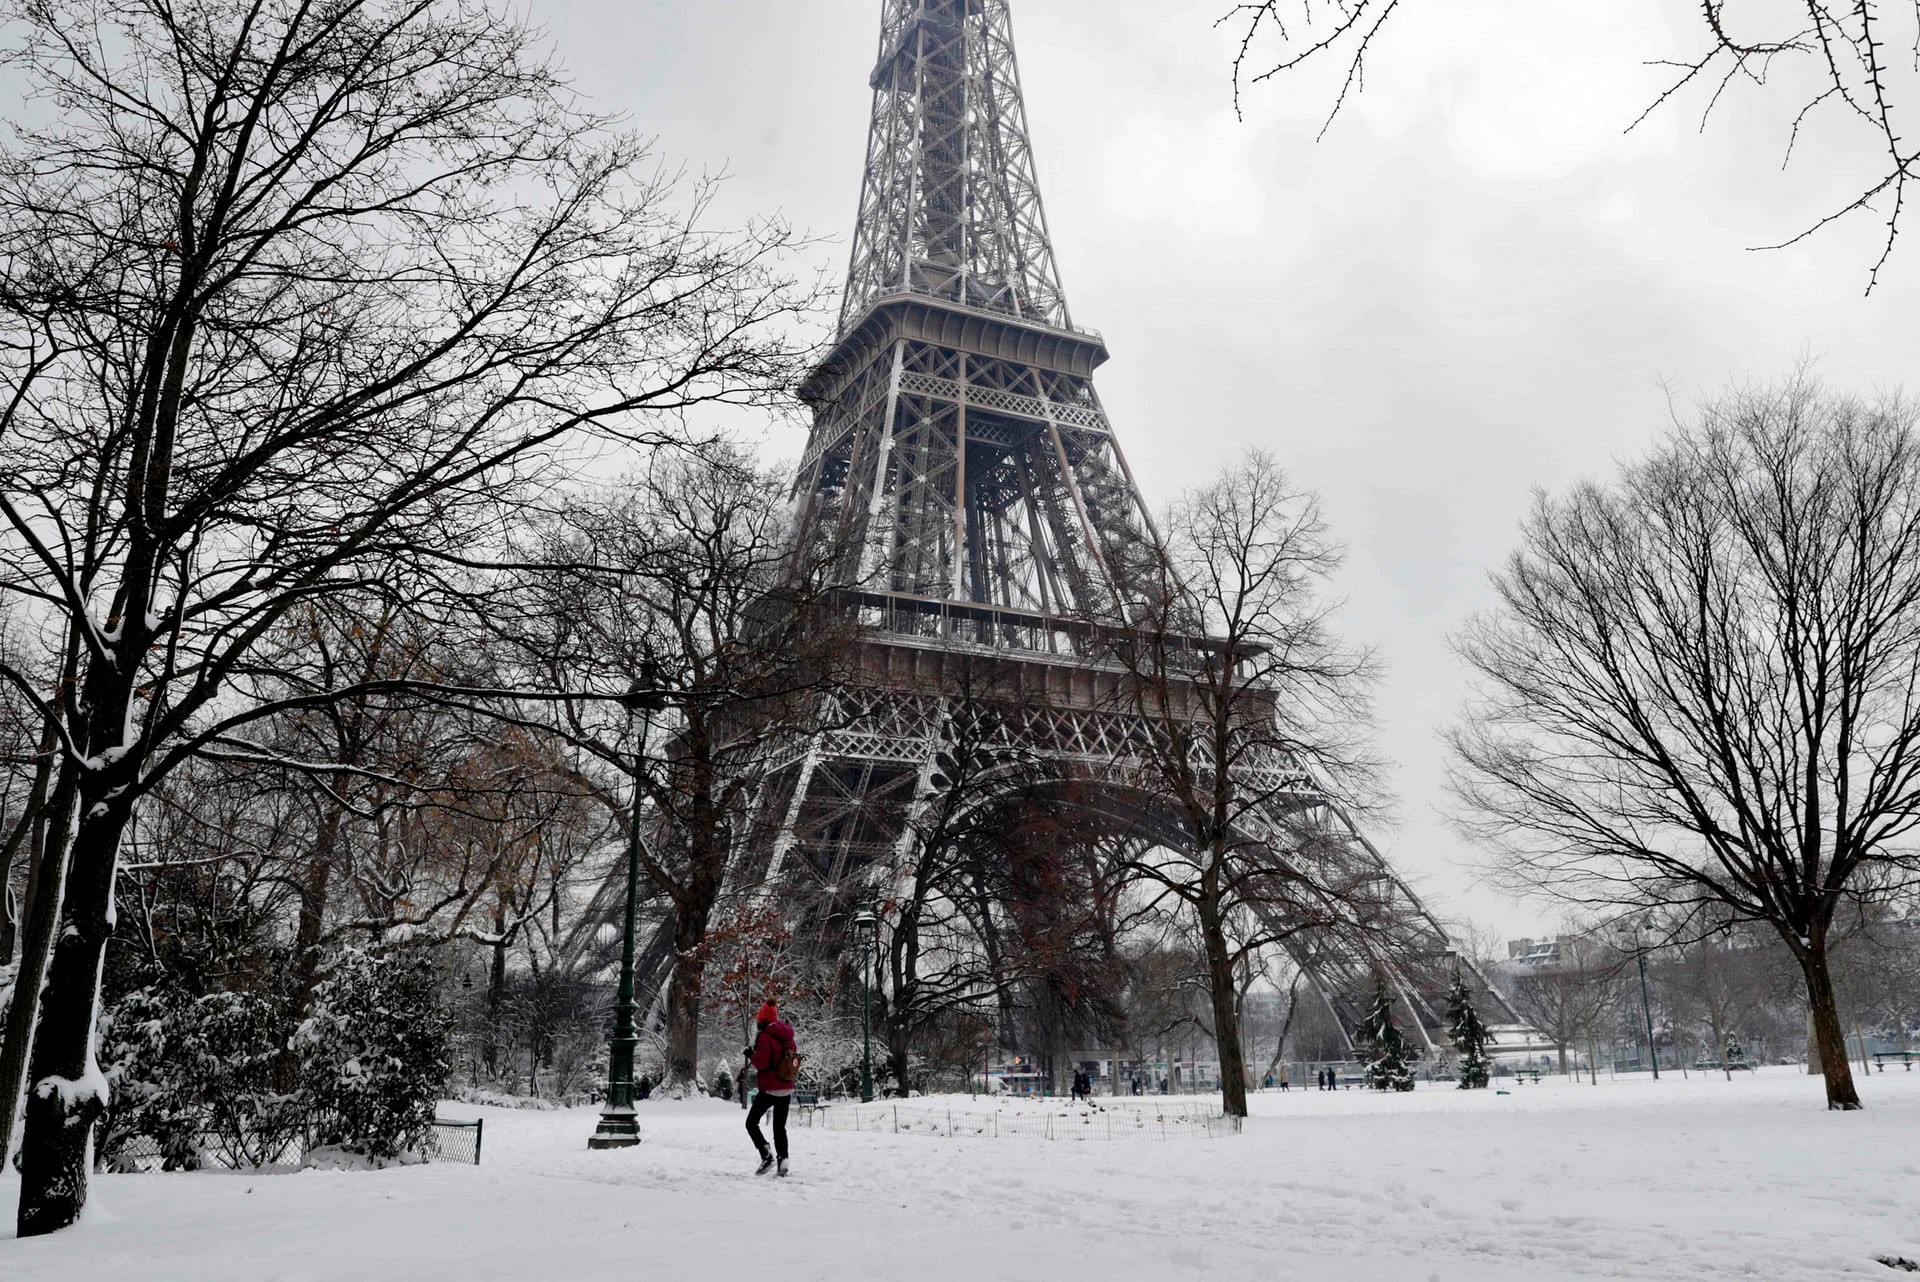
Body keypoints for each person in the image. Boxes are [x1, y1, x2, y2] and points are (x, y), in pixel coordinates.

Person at [745, 1001, 798, 1176]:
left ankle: (766, 1155)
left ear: (762, 1020)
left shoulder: (764, 1036)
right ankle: (783, 1161)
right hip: (786, 1087)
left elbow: (762, 1063)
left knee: (751, 1123)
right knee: (779, 1127)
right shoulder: (789, 1036)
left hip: (769, 1089)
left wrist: (751, 1054)